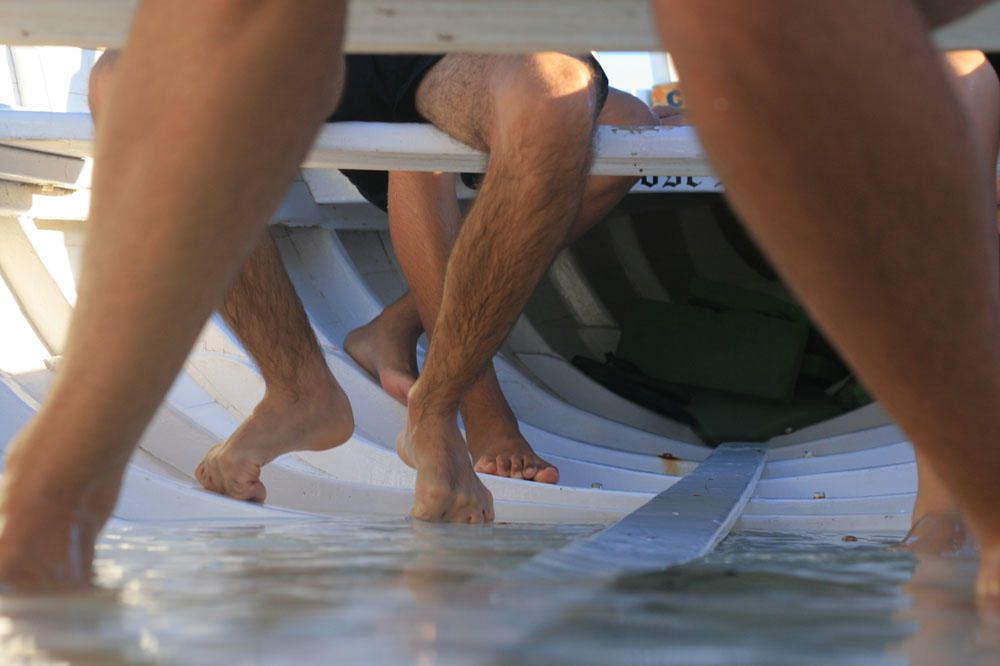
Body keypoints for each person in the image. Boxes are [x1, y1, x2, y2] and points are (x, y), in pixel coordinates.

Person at [2, 0, 999, 602]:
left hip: (489, 44)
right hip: (351, 30)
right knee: (136, 72)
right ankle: (89, 475)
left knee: (566, 88)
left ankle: (433, 404)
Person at [84, 51, 651, 500]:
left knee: (558, 98)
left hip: (471, 40)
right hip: (323, 35)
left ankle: (437, 406)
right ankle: (297, 390)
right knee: (128, 80)